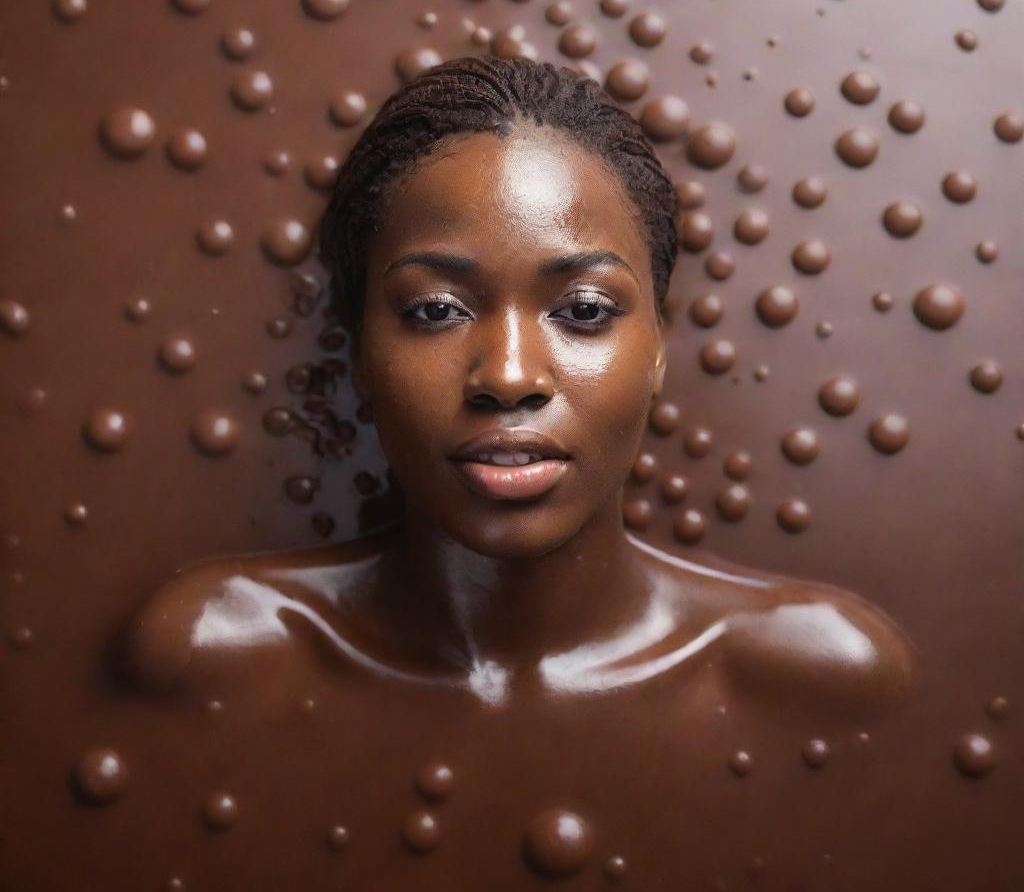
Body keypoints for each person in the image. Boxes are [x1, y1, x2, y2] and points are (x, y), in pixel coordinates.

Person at [122, 55, 916, 717]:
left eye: (583, 310)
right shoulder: (216, 658)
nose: (508, 376)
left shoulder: (810, 679)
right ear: (359, 348)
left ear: (659, 351)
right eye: (434, 309)